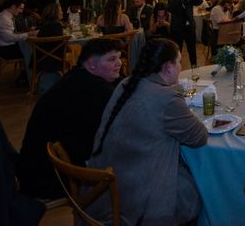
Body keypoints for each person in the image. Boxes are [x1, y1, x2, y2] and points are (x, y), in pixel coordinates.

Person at [88, 39, 208, 225]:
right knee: (200, 188)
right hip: (139, 196)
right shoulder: (167, 98)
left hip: (106, 185)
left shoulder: (126, 84)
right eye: (178, 62)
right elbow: (199, 137)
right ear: (168, 68)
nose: (180, 67)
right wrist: (176, 95)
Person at [16, 38, 123, 199]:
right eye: (112, 59)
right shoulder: (97, 90)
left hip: (34, 167)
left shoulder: (77, 76)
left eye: (119, 58)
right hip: (52, 178)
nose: (119, 63)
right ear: (92, 64)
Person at [168, 0, 202, 67]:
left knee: (192, 48)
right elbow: (171, 9)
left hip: (189, 26)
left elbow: (199, 1)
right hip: (177, 27)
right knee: (177, 49)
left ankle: (194, 66)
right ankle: (176, 67)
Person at [35, 3, 65, 73]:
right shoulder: (57, 25)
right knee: (76, 48)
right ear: (55, 13)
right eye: (61, 11)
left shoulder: (44, 24)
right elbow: (60, 46)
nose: (62, 12)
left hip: (40, 58)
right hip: (53, 59)